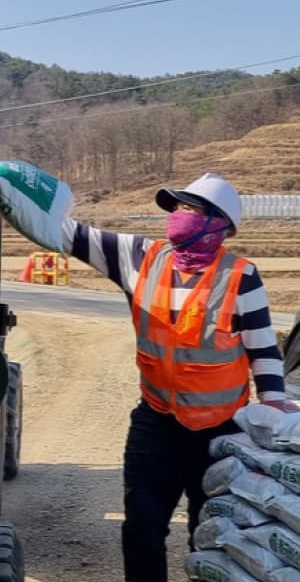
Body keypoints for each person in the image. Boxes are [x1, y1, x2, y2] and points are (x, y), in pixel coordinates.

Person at [50, 172, 295, 581]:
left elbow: (264, 351)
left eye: (191, 208)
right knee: (142, 529)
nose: (178, 215)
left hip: (218, 435)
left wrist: (275, 416)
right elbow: (70, 234)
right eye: (177, 207)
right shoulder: (139, 257)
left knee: (211, 534)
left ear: (219, 225)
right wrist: (10, 192)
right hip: (156, 422)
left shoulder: (241, 277)